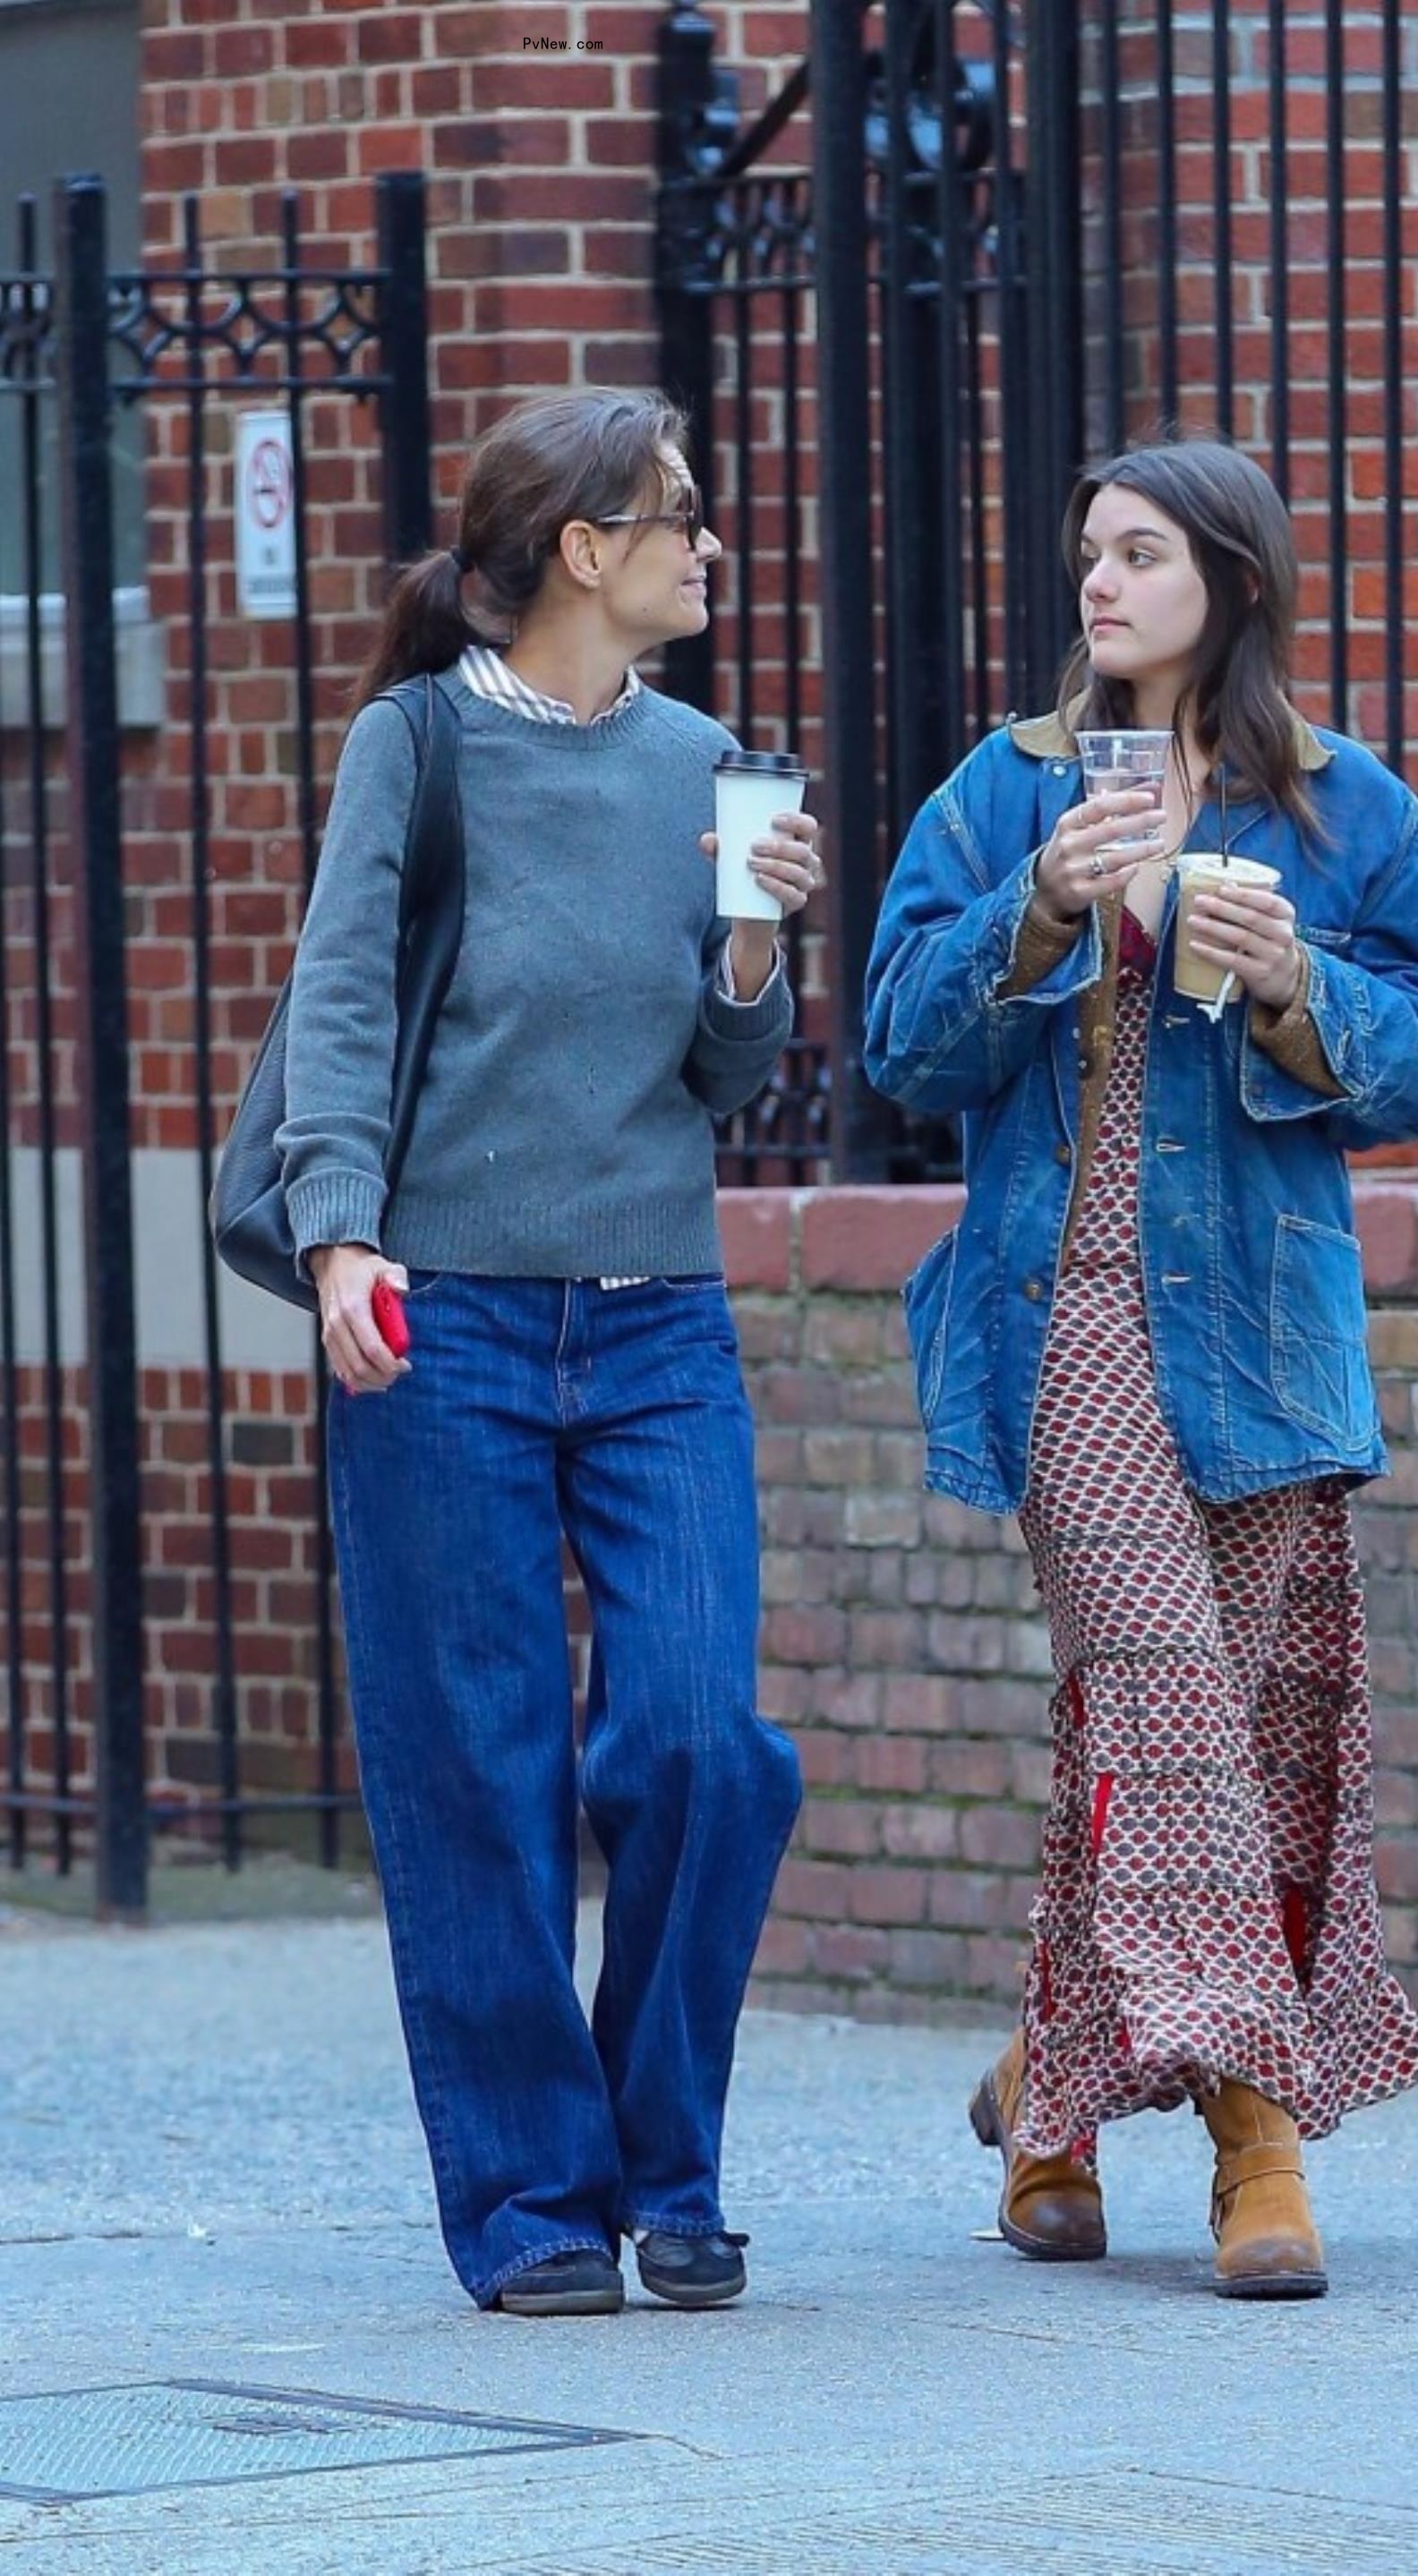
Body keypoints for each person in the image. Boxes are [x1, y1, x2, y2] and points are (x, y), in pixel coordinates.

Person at [864, 436, 1418, 2299]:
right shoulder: (1008, 789)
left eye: (1141, 551)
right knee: (1165, 1682)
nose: (1103, 583)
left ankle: (1050, 2098)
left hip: (1263, 1332)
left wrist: (1299, 984)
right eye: (1089, 552)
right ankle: (1255, 2138)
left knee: (1223, 1706)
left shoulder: (1342, 804)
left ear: (1234, 574)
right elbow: (901, 1041)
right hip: (1060, 1319)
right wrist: (1043, 905)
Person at [278, 388, 816, 2317]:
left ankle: (671, 2161)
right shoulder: (412, 749)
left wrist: (755, 948)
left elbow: (723, 1078)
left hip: (658, 1319)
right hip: (453, 1320)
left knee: (696, 1735)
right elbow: (341, 995)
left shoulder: (712, 763)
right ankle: (532, 2203)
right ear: (586, 551)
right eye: (680, 515)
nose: (708, 545)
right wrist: (342, 1230)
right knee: (474, 1764)